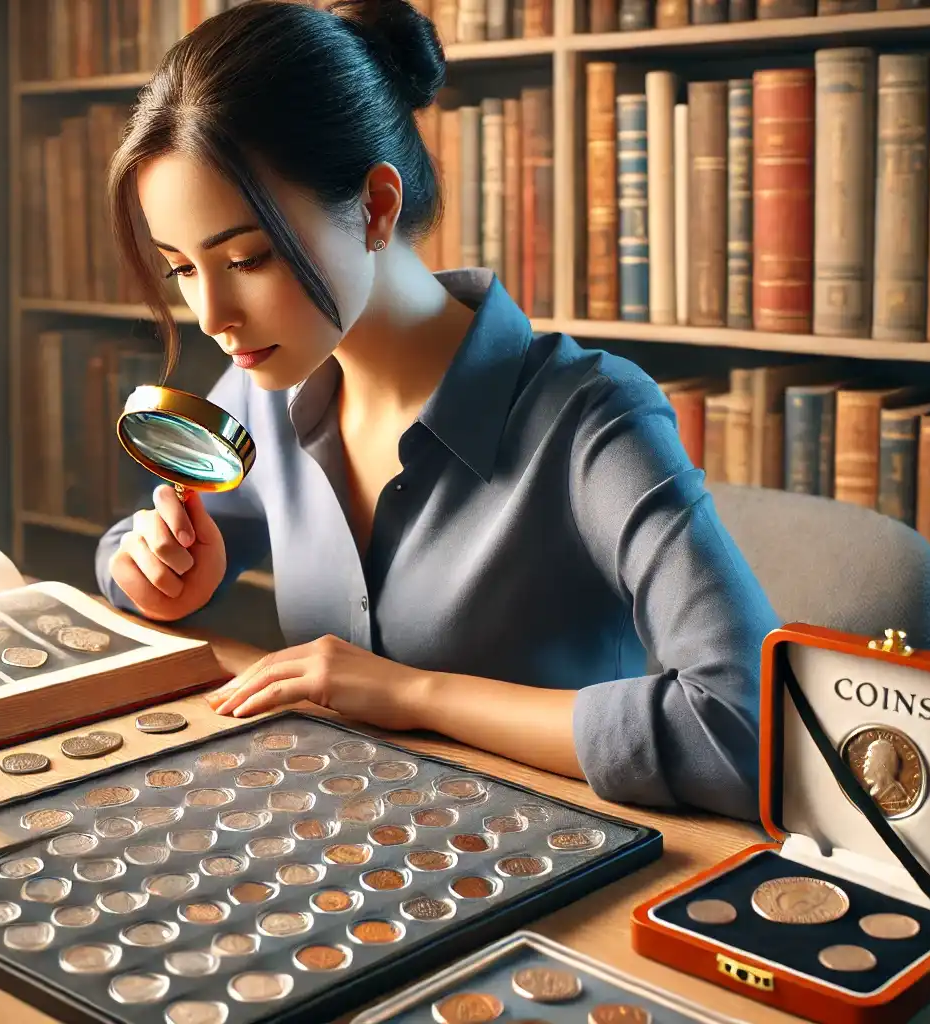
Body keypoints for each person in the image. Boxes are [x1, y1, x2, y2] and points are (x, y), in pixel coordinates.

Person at [91, 0, 781, 822]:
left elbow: (751, 727)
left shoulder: (590, 419)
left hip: (559, 863)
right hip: (340, 833)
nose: (212, 315)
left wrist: (417, 695)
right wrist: (156, 576)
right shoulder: (263, 387)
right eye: (183, 271)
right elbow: (131, 553)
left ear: (377, 208)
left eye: (246, 258)